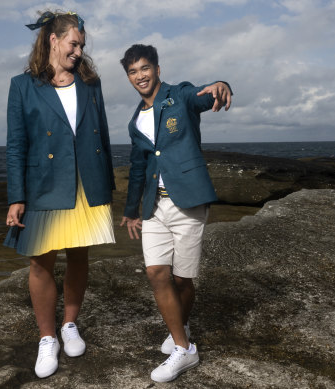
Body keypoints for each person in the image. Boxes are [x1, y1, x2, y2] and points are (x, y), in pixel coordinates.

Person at [3, 11, 116, 379]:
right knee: (41, 261)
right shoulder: (22, 86)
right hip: (44, 184)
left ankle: (69, 324)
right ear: (53, 40)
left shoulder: (89, 82)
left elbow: (102, 134)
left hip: (85, 182)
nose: (79, 50)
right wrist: (16, 196)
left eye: (82, 45)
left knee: (79, 254)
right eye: (74, 43)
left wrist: (107, 186)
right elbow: (16, 145)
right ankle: (47, 337)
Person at [119, 44, 232, 382]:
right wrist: (131, 211)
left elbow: (205, 97)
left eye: (144, 68)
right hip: (154, 205)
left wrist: (221, 84)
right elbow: (138, 168)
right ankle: (184, 348)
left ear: (156, 68)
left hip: (188, 201)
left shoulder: (179, 95)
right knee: (156, 274)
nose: (140, 76)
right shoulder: (134, 121)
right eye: (132, 72)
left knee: (183, 279)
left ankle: (179, 328)